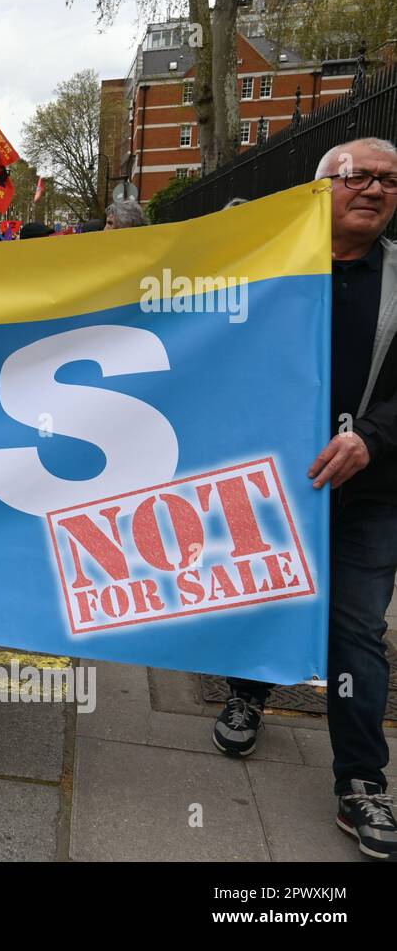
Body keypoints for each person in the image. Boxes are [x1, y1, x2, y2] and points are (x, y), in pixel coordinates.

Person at [211, 137, 397, 862]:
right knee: (262, 594)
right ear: (321, 189)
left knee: (355, 632)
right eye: (358, 177)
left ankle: (361, 781)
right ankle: (247, 696)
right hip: (270, 484)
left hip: (370, 490)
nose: (375, 190)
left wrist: (372, 439)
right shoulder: (264, 267)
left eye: (388, 180)